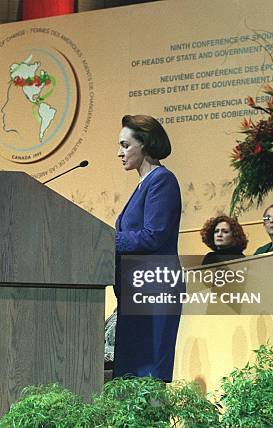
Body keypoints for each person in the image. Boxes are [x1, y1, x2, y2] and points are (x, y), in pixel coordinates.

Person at [113, 114, 182, 382]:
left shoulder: (162, 180)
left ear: (146, 145)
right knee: (131, 380)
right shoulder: (144, 184)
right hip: (137, 291)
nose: (119, 153)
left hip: (154, 291)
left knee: (147, 380)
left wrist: (104, 241)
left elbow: (153, 236)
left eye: (125, 145)